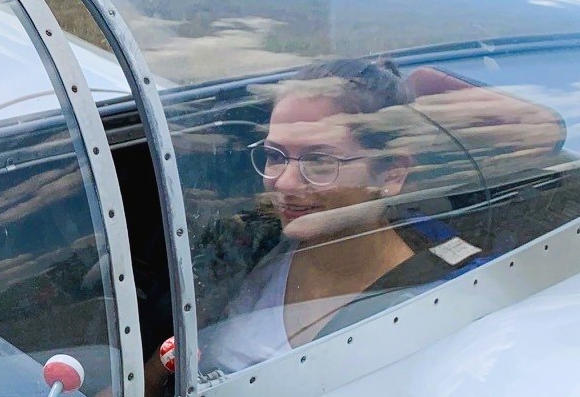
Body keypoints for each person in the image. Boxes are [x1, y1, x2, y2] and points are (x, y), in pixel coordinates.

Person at [200, 57, 474, 375]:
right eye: (275, 156)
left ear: (391, 174)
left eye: (319, 160)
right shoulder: (257, 243)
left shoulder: (425, 311)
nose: (284, 183)